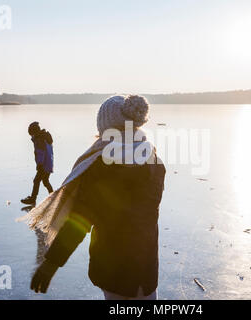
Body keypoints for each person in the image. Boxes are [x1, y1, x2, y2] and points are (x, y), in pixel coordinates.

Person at [22, 95, 166, 300]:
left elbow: (80, 222)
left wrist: (51, 264)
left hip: (114, 270)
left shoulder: (100, 168)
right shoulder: (154, 161)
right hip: (146, 270)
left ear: (105, 128)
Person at [21, 122, 54, 205]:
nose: (31, 136)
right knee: (45, 181)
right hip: (49, 163)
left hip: (43, 165)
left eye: (31, 134)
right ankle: (52, 196)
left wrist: (39, 164)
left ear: (34, 132)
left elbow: (41, 153)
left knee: (36, 181)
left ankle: (33, 198)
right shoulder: (44, 137)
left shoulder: (39, 140)